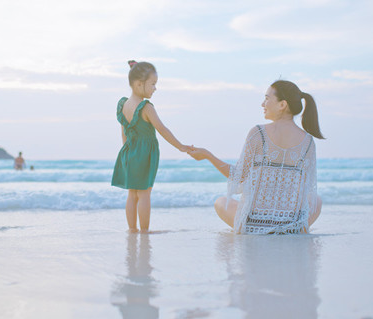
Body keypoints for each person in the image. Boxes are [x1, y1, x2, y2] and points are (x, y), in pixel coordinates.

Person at [188, 80, 324, 234]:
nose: (262, 104)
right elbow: (304, 192)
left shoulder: (258, 133)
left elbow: (238, 176)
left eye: (267, 98)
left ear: (282, 105)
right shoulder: (308, 141)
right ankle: (289, 227)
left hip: (253, 223)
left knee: (221, 202)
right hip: (291, 224)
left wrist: (208, 155)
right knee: (316, 200)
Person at [112, 60, 191, 233]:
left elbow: (124, 132)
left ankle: (132, 230)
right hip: (144, 154)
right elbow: (162, 129)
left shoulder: (123, 105)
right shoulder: (146, 107)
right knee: (144, 193)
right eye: (153, 84)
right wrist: (181, 146)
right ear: (139, 84)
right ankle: (144, 231)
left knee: (132, 194)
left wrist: (126, 153)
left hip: (128, 152)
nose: (155, 88)